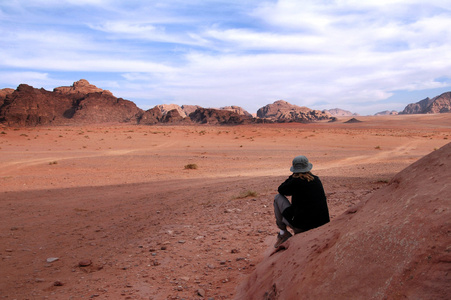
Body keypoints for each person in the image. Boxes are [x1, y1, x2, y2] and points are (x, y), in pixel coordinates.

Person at [273, 155, 330, 248]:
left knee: (277, 198)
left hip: (302, 227)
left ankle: (283, 233)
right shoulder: (316, 180)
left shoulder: (295, 182)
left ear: (294, 169)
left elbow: (281, 190)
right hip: (322, 225)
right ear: (307, 167)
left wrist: (293, 176)